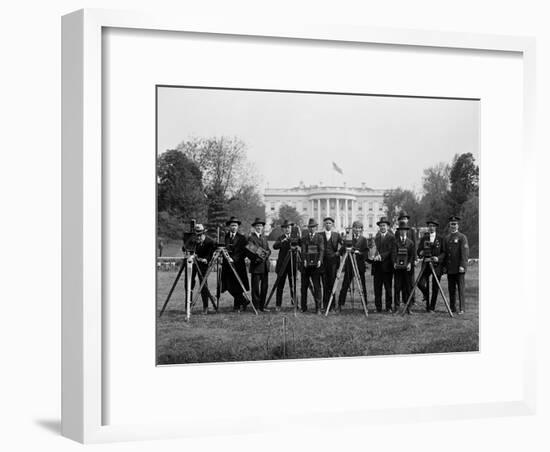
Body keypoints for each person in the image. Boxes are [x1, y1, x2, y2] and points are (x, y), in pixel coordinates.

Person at [337, 220, 368, 311]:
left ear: (361, 229)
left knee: (362, 286)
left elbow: (366, 252)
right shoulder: (348, 237)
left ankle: (364, 304)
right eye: (355, 228)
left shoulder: (364, 239)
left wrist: (360, 252)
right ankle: (340, 304)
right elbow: (343, 248)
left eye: (359, 228)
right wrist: (338, 253)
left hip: (360, 266)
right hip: (350, 265)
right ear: (353, 229)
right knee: (345, 285)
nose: (357, 229)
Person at [417, 219, 446, 312]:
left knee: (435, 287)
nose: (431, 227)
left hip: (437, 265)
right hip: (426, 264)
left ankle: (431, 307)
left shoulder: (441, 238)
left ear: (436, 227)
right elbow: (419, 251)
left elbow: (444, 252)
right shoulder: (424, 238)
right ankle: (426, 295)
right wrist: (420, 253)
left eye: (433, 226)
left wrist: (438, 258)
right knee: (420, 283)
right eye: (430, 225)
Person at [222, 216, 250, 312]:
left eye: (235, 225)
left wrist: (234, 259)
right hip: (227, 266)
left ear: (238, 227)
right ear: (229, 226)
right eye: (232, 225)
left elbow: (244, 252)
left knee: (238, 286)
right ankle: (244, 301)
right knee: (228, 285)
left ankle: (237, 306)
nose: (234, 227)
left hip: (238, 265)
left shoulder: (242, 238)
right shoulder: (225, 237)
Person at [442, 215, 469, 314]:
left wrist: (463, 265)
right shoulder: (447, 238)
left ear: (458, 225)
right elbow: (445, 253)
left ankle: (462, 309)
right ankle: (452, 308)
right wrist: (445, 267)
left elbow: (464, 253)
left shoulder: (462, 237)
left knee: (461, 289)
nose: (453, 226)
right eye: (451, 224)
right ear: (449, 225)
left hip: (459, 268)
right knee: (451, 289)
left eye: (455, 224)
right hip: (450, 268)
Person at [368, 216, 395, 312]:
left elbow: (391, 251)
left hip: (387, 267)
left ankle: (388, 307)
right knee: (377, 289)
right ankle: (378, 307)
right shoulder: (376, 238)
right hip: (377, 268)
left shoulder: (392, 238)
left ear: (387, 226)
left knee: (388, 288)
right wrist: (371, 256)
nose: (382, 227)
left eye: (384, 225)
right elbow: (372, 250)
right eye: (381, 226)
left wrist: (381, 256)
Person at [272, 220, 300, 311]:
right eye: (285, 228)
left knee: (293, 285)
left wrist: (299, 235)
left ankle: (295, 304)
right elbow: (275, 246)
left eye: (289, 227)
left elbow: (301, 244)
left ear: (291, 228)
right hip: (282, 265)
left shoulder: (295, 237)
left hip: (292, 264)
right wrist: (283, 241)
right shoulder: (281, 237)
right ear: (283, 229)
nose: (287, 229)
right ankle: (278, 305)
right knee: (280, 285)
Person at [190, 224, 216, 314]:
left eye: (200, 234)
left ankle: (206, 307)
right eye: (197, 234)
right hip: (192, 263)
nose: (198, 236)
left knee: (203, 285)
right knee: (189, 284)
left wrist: (207, 259)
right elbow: (185, 247)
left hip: (203, 265)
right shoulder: (192, 240)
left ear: (204, 232)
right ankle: (188, 307)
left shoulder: (210, 241)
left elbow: (212, 252)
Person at [300, 218, 325, 313]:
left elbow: (322, 249)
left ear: (316, 228)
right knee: (303, 287)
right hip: (306, 266)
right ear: (308, 228)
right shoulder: (304, 238)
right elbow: (303, 250)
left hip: (316, 266)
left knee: (317, 286)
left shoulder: (319, 238)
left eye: (313, 227)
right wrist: (304, 260)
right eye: (310, 227)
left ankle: (318, 308)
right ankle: (303, 307)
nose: (312, 229)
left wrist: (319, 260)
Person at [247, 217, 272, 312]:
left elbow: (268, 250)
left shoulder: (264, 237)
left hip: (265, 266)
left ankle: (262, 306)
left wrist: (265, 254)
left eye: (261, 226)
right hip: (256, 266)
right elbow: (251, 251)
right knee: (256, 288)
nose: (259, 227)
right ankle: (256, 307)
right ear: (254, 227)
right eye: (257, 226)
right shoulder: (251, 238)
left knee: (264, 287)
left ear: (262, 227)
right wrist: (261, 257)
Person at [392, 220, 415, 313]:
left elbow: (412, 255)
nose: (402, 232)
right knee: (397, 287)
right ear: (399, 231)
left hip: (407, 269)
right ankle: (397, 307)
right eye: (401, 230)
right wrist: (394, 262)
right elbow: (393, 254)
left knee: (408, 287)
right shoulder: (395, 242)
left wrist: (409, 263)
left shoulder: (410, 243)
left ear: (406, 231)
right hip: (397, 269)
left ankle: (408, 307)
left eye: (404, 230)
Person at [321, 217, 342, 310]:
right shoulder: (319, 235)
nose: (328, 225)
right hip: (323, 262)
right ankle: (325, 305)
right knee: (324, 283)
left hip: (333, 262)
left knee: (332, 283)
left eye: (330, 223)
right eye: (326, 223)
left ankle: (333, 305)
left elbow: (344, 245)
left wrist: (338, 252)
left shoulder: (336, 235)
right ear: (324, 225)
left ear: (332, 225)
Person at [397, 211, 418, 305]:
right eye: (402, 219)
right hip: (400, 260)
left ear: (407, 220)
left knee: (411, 281)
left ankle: (412, 299)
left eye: (405, 218)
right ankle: (403, 299)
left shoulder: (412, 231)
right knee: (401, 281)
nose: (404, 220)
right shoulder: (397, 232)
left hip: (410, 259)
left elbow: (415, 245)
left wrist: (415, 259)